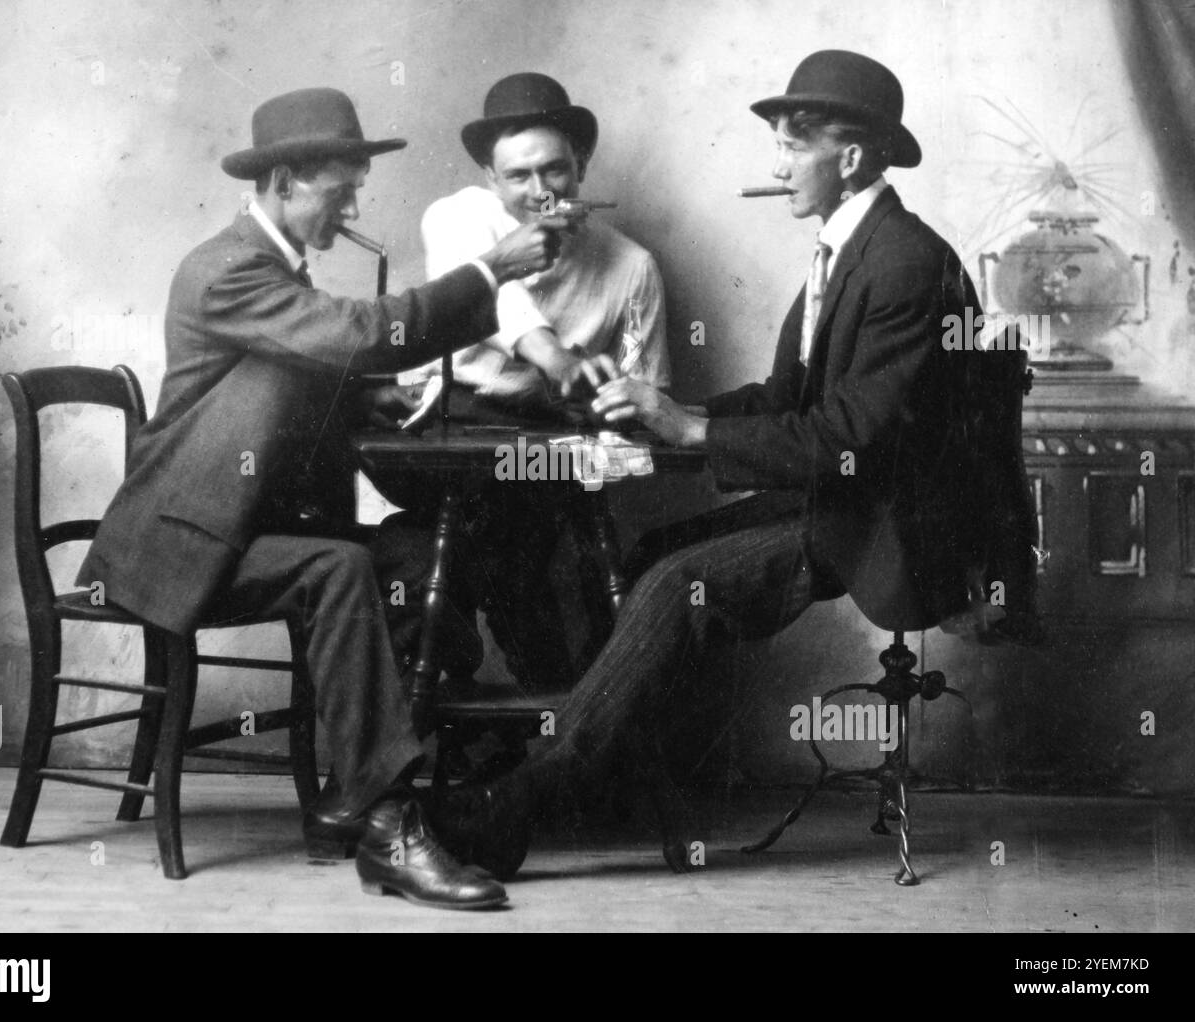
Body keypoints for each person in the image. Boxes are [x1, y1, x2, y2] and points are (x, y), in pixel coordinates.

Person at [436, 51, 1038, 879]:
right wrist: (664, 418)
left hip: (887, 524)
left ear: (852, 159)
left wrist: (687, 430)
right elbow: (785, 396)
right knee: (652, 559)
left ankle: (525, 804)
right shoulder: (847, 249)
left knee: (669, 588)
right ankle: (612, 773)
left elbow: (850, 438)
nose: (778, 165)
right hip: (840, 500)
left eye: (794, 146)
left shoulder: (904, 263)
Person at [76, 87, 569, 909]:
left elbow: (277, 384)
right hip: (181, 544)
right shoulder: (226, 268)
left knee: (412, 554)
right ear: (288, 182)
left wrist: (362, 404)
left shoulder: (270, 271)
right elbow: (355, 335)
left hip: (242, 530)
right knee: (341, 569)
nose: (350, 208)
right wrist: (490, 271)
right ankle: (390, 827)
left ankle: (353, 792)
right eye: (340, 191)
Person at [372, 73, 671, 693]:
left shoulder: (632, 266)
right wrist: (558, 363)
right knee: (536, 551)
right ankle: (522, 717)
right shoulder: (458, 217)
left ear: (582, 166)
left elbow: (646, 402)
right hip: (440, 436)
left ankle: (521, 741)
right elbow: (501, 303)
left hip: (542, 452)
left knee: (462, 554)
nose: (541, 192)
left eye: (555, 170)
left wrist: (611, 400)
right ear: (490, 178)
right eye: (518, 176)